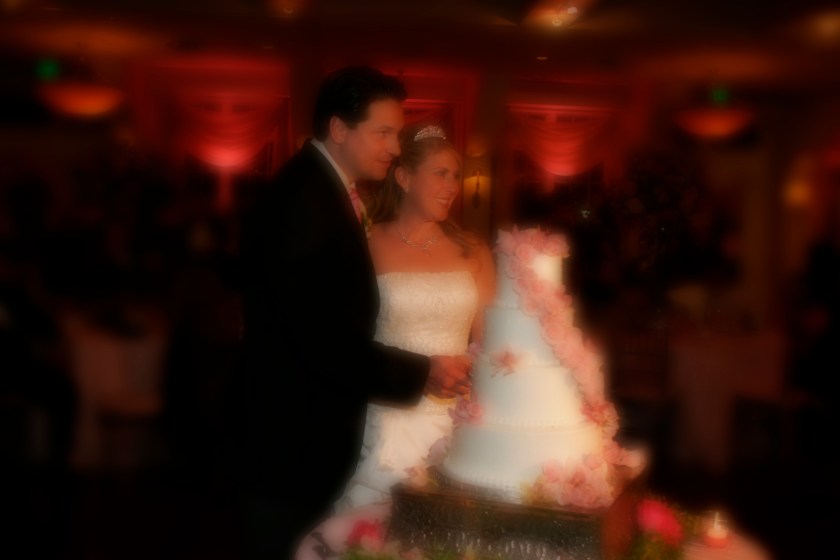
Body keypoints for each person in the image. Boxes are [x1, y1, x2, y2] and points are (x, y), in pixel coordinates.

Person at [233, 67, 472, 559]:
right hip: (291, 443)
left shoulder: (325, 188)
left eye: (397, 134)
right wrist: (424, 371)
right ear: (339, 129)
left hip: (308, 436)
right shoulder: (304, 201)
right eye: (382, 132)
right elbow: (322, 342)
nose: (394, 147)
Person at [334, 124, 496, 513]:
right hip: (387, 412)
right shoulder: (366, 245)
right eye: (440, 174)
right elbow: (344, 341)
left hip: (457, 416)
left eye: (455, 175)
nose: (452, 186)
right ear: (404, 178)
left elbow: (490, 344)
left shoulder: (473, 251)